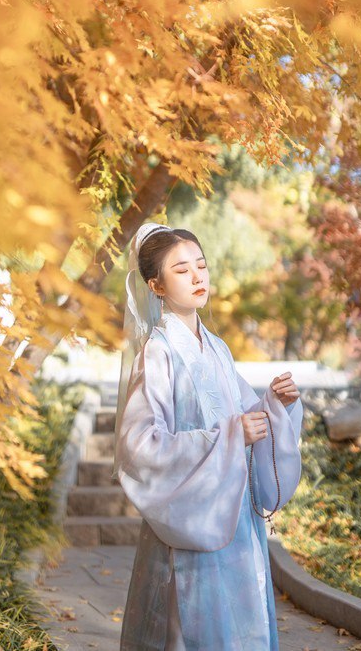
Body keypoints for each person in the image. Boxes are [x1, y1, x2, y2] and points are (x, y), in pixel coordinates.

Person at [113, 222, 303, 651]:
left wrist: (275, 405)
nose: (198, 277)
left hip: (233, 514)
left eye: (201, 265)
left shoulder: (216, 346)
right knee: (191, 631)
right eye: (182, 270)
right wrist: (232, 435)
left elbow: (242, 415)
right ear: (155, 284)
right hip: (190, 519)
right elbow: (139, 445)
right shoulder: (158, 351)